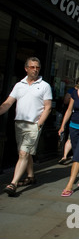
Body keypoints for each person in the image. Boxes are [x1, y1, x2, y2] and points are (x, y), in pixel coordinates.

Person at [1, 57, 52, 196]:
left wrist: (38, 125)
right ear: (26, 68)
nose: (35, 70)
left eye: (37, 67)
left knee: (24, 153)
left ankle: (13, 184)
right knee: (23, 153)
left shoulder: (45, 86)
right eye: (32, 67)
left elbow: (48, 107)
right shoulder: (19, 85)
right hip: (19, 124)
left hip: (33, 125)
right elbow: (8, 103)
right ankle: (31, 176)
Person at [58, 85, 77, 164]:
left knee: (69, 137)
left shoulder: (72, 91)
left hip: (75, 119)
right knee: (71, 137)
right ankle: (67, 155)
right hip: (73, 118)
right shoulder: (73, 91)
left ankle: (66, 155)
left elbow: (66, 100)